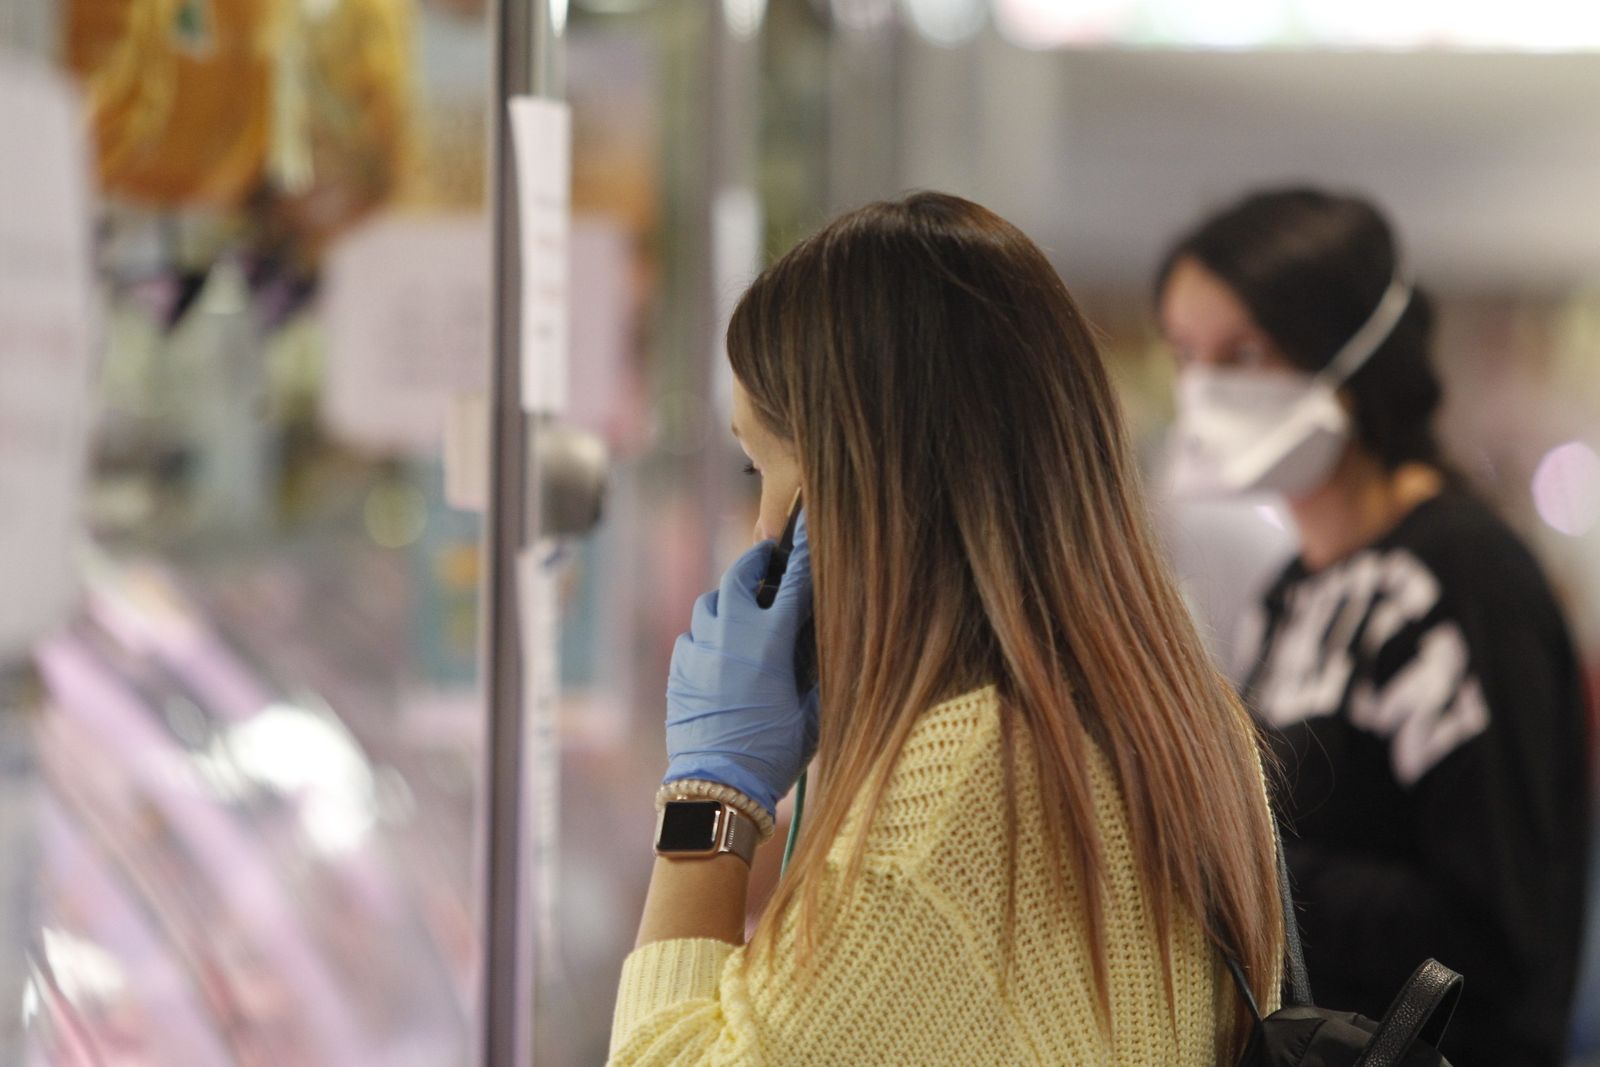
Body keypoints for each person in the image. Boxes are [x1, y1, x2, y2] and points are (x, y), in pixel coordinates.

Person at [607, 192, 1288, 1066]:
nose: (761, 531)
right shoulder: (1186, 716)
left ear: (859, 485)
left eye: (766, 466)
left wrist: (709, 802)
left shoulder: (956, 786)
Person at [1155, 186, 1591, 1066]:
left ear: (1349, 355)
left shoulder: (1467, 577)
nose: (1205, 391)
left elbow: (1500, 929)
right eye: (1186, 356)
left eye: (1243, 352)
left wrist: (1245, 865)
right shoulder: (1293, 588)